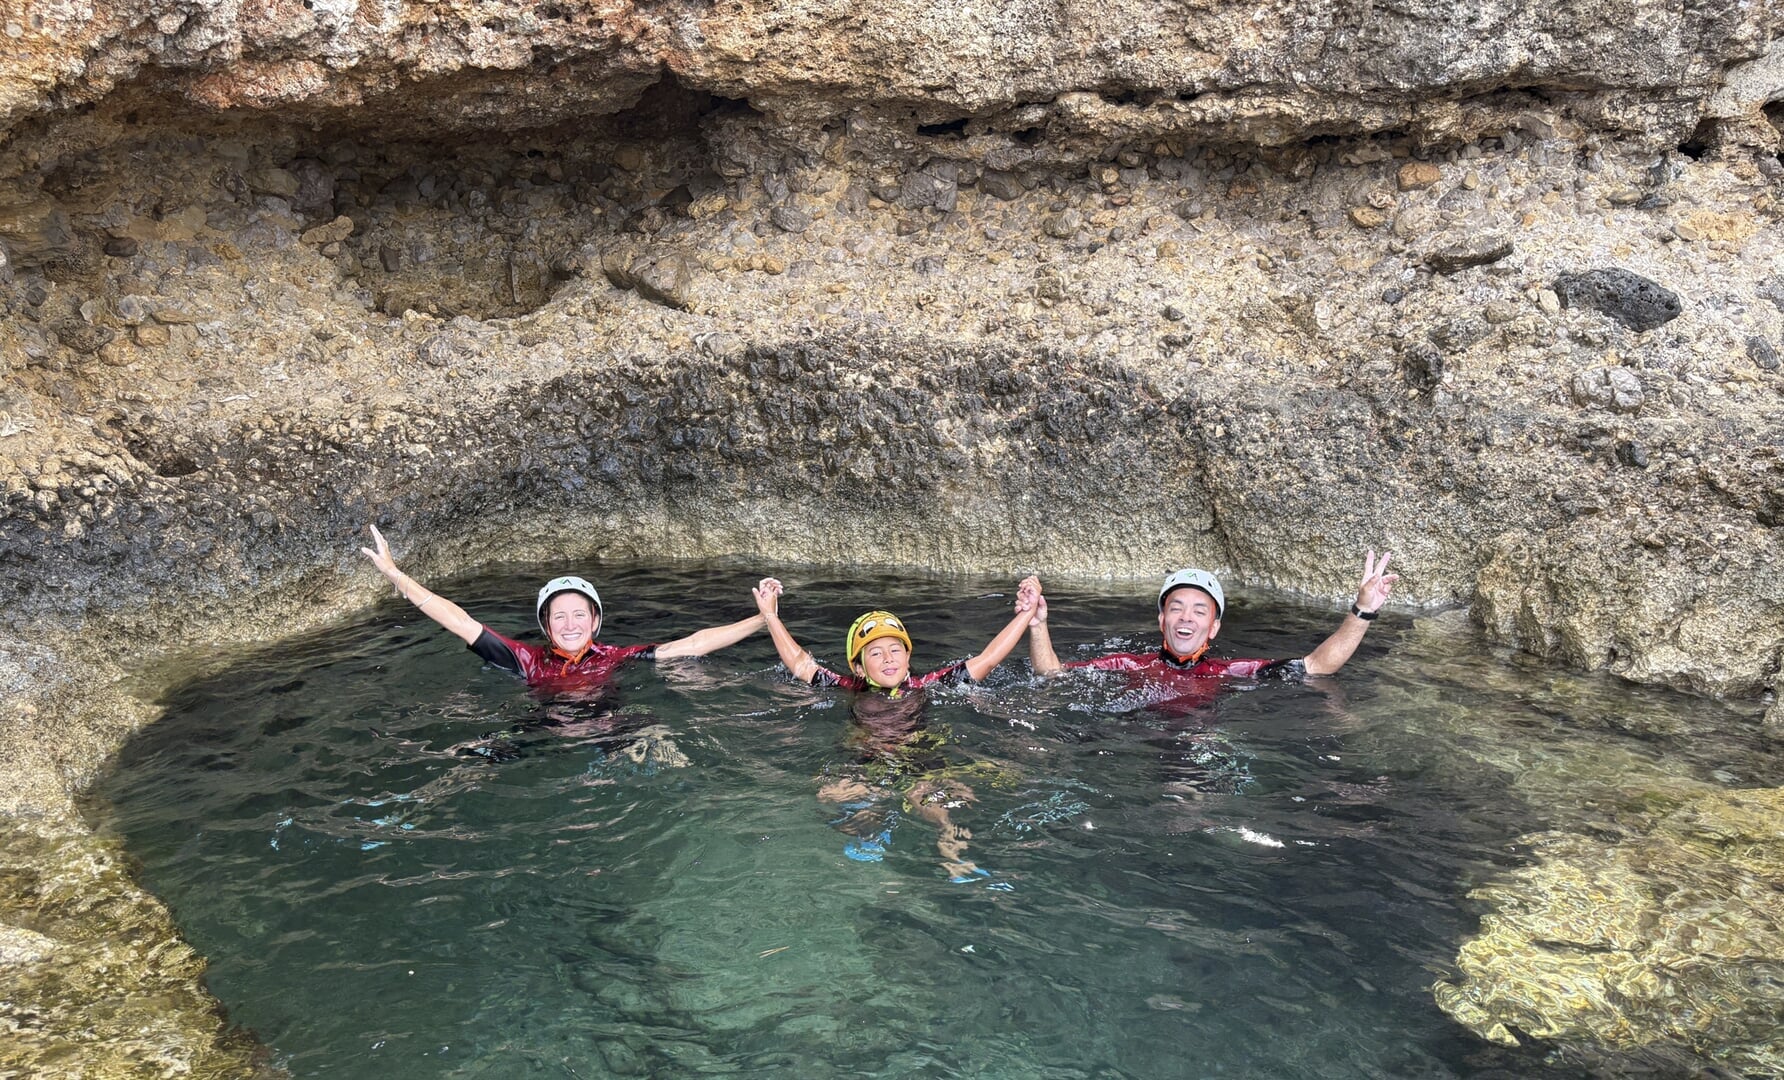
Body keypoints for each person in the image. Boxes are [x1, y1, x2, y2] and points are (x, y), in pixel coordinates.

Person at [751, 575, 1043, 882]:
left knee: (937, 804)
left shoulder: (930, 684)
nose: (888, 657)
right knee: (830, 791)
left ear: (908, 657)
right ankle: (870, 829)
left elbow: (989, 657)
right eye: (875, 653)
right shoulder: (849, 686)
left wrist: (1026, 613)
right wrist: (770, 614)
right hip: (867, 759)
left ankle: (952, 849)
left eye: (896, 650)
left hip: (920, 759)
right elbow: (799, 662)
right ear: (859, 667)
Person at [360, 524, 767, 692]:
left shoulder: (616, 657)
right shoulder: (525, 659)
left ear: (595, 620)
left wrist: (763, 618)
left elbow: (691, 645)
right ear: (546, 626)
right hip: (539, 732)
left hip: (609, 731)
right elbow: (459, 621)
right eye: (559, 616)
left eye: (579, 615)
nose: (570, 624)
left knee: (655, 742)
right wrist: (397, 575)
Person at [1026, 551, 1399, 706]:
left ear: (1214, 627)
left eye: (1199, 611)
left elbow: (1317, 666)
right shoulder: (1128, 665)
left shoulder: (1229, 672)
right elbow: (1051, 674)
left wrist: (1362, 611)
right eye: (1177, 609)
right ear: (1162, 620)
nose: (1187, 618)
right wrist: (1039, 623)